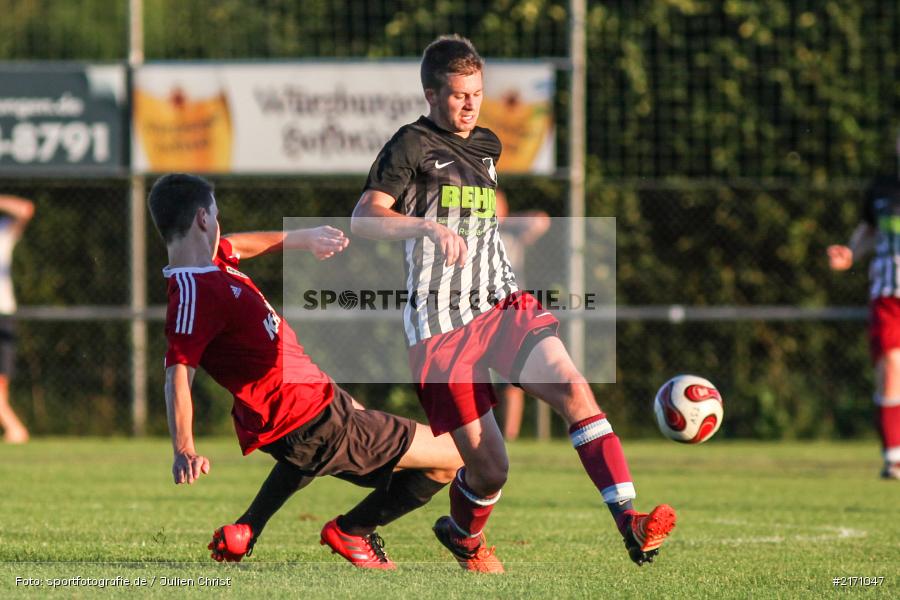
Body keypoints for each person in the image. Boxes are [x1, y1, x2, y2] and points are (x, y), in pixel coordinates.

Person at [351, 34, 676, 572]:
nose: (471, 104)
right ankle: (464, 536)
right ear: (431, 94)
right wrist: (424, 227)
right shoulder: (409, 144)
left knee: (575, 389)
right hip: (441, 324)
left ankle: (630, 521)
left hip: (502, 304)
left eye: (477, 93)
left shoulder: (487, 146)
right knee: (491, 469)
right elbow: (365, 217)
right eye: (458, 95)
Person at [148, 173, 465, 568]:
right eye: (216, 214)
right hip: (310, 416)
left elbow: (240, 245)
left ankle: (247, 529)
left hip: (310, 407)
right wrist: (184, 449)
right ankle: (353, 531)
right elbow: (178, 371)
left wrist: (305, 237)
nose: (220, 223)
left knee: (331, 444)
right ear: (202, 219)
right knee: (455, 456)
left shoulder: (209, 263)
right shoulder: (194, 294)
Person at [827, 175, 900, 480]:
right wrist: (851, 253)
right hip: (888, 296)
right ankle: (894, 458)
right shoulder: (882, 189)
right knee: (891, 370)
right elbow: (869, 230)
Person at [494, 188, 550, 441]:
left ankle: (510, 438)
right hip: (474, 309)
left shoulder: (510, 232)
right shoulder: (470, 234)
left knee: (511, 381)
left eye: (496, 205)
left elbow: (541, 221)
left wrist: (504, 221)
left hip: (508, 310)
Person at [0, 195, 35, 444]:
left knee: (2, 382)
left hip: (3, 312)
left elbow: (25, 209)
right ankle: (15, 429)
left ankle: (15, 429)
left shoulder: (4, 229)